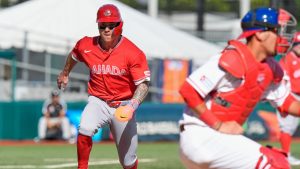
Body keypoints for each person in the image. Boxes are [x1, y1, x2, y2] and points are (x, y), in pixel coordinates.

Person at [178, 7, 300, 169]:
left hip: (219, 140)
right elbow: (188, 90)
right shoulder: (233, 58)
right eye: (277, 31)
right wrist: (218, 125)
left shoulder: (270, 69)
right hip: (201, 135)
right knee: (276, 163)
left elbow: (289, 103)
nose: (283, 37)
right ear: (260, 34)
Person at [57, 4, 150, 169]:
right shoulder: (86, 45)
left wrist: (132, 106)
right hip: (98, 100)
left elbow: (143, 85)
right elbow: (74, 55)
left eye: (111, 25)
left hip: (124, 105)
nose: (106, 29)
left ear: (119, 26)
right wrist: (65, 73)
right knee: (85, 127)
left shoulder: (133, 52)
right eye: (102, 25)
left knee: (128, 161)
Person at [276, 31, 300, 166]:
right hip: (291, 96)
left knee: (290, 127)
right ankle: (286, 155)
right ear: (294, 45)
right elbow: (282, 81)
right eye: (298, 44)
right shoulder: (286, 59)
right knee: (287, 128)